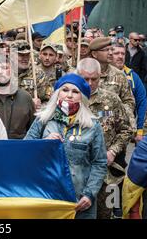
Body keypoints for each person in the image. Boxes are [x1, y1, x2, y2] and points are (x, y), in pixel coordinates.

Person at [24, 74, 107, 219]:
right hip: (45, 196)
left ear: (83, 97)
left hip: (79, 201)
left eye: (75, 92)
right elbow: (24, 151)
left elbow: (100, 163)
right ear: (57, 94)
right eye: (65, 90)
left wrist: (90, 194)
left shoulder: (93, 126)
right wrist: (44, 145)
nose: (69, 95)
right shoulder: (43, 120)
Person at [76, 58, 132, 219]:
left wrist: (113, 151)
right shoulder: (70, 98)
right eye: (85, 79)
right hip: (79, 172)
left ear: (101, 77)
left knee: (108, 212)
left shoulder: (112, 99)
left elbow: (127, 130)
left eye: (94, 79)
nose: (90, 83)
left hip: (109, 174)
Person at [0, 59, 35, 139]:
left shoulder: (25, 98)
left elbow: (34, 131)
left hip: (18, 148)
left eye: (5, 68)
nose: (0, 72)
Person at [89, 37, 136, 129]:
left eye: (111, 49)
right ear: (94, 54)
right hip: (85, 126)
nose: (110, 53)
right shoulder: (83, 73)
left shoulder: (119, 75)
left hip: (110, 128)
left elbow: (129, 102)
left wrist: (114, 114)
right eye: (106, 50)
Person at [111, 44, 147, 141]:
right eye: (116, 53)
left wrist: (140, 130)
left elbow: (142, 103)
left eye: (122, 53)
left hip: (124, 131)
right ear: (110, 55)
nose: (120, 56)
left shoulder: (133, 76)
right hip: (104, 127)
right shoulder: (100, 74)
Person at [10, 40, 53, 105]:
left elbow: (48, 100)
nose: (25, 58)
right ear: (12, 56)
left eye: (27, 55)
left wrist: (39, 106)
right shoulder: (2, 72)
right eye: (21, 55)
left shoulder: (37, 74)